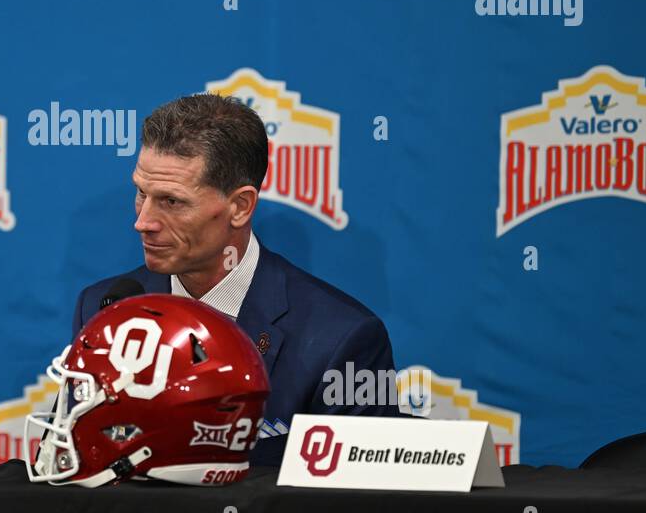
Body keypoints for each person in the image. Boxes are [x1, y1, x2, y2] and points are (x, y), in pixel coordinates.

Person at [72, 94, 400, 464]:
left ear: (240, 206)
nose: (143, 222)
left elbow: (352, 507)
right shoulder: (104, 308)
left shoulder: (342, 339)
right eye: (140, 193)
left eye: (172, 202)